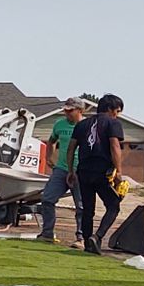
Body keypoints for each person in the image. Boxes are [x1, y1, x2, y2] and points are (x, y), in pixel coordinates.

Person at [65, 94, 126, 254]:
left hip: (83, 171)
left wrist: (71, 170)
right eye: (117, 111)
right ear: (109, 109)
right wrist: (119, 171)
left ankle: (87, 243)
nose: (117, 114)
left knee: (88, 210)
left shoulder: (82, 125)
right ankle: (97, 237)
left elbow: (71, 149)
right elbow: (115, 146)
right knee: (113, 206)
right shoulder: (113, 123)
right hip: (102, 171)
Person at [35, 97, 88, 244]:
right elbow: (51, 140)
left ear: (80, 110)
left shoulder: (86, 126)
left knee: (82, 206)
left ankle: (81, 238)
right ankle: (47, 234)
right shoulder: (59, 124)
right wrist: (48, 157)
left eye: (70, 111)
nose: (67, 113)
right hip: (61, 168)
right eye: (65, 110)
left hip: (80, 171)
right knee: (47, 199)